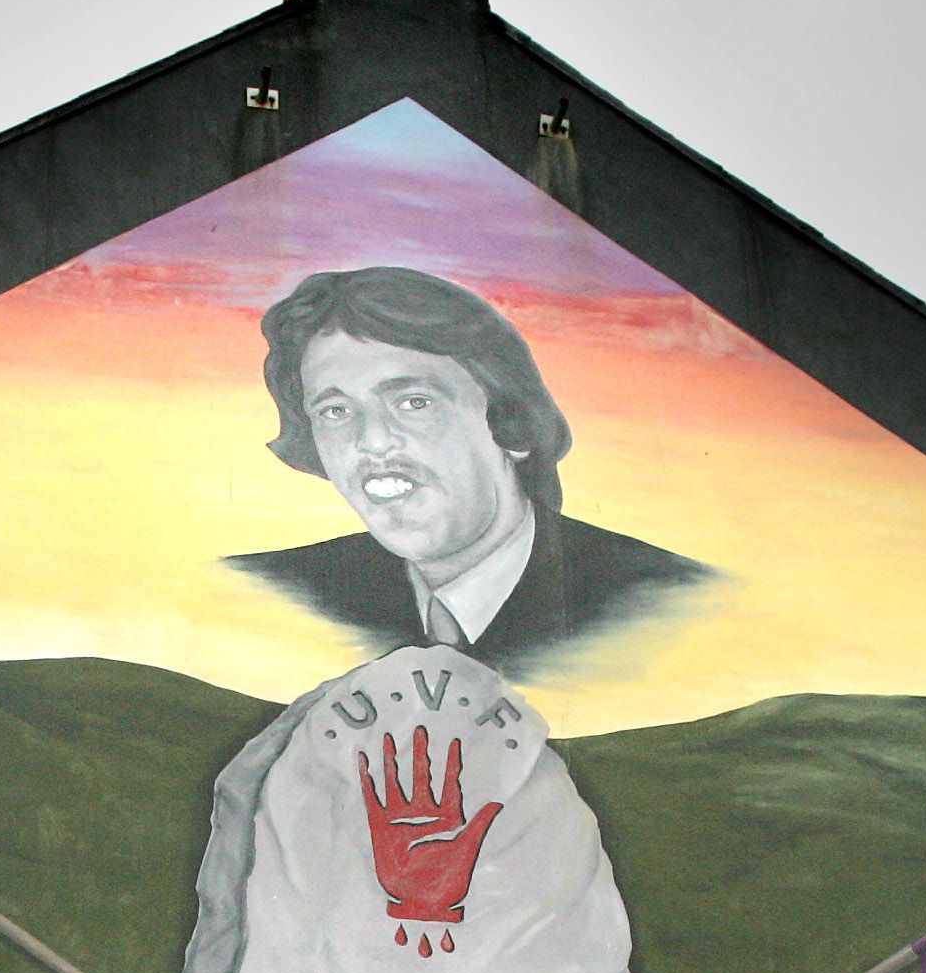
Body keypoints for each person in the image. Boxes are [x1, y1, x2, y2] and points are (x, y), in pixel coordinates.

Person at [224, 267, 711, 673]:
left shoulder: (677, 609)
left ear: (513, 427)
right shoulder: (263, 596)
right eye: (335, 412)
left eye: (414, 402)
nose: (371, 442)